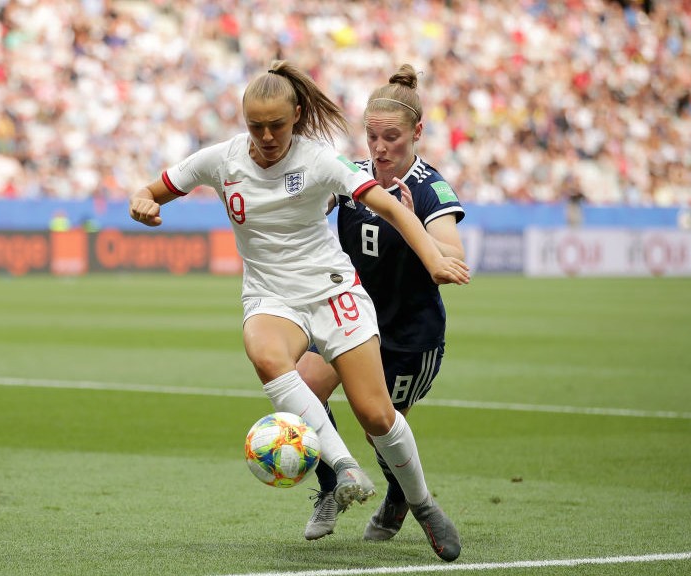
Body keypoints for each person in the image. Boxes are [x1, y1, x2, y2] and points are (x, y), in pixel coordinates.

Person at [129, 60, 466, 562]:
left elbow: (392, 207)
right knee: (267, 358)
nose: (265, 136)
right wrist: (143, 204)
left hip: (333, 292)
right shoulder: (219, 161)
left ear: (298, 116)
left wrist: (436, 258)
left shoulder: (321, 161)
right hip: (270, 296)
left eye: (277, 125)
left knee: (376, 414)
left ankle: (422, 504)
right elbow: (152, 189)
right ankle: (344, 469)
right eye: (255, 126)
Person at [296, 64, 466, 548]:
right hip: (350, 316)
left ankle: (399, 497)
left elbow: (452, 257)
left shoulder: (429, 188)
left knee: (380, 432)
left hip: (409, 333)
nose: (379, 148)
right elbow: (310, 205)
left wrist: (414, 227)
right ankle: (330, 491)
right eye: (372, 136)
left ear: (417, 132)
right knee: (305, 387)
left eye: (391, 137)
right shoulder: (352, 176)